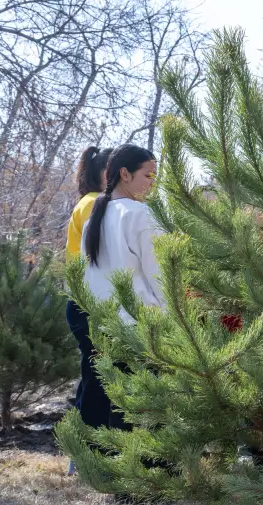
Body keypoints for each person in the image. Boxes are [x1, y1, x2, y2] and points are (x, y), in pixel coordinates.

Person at [79, 144, 161, 431]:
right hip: (145, 332)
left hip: (106, 330)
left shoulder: (92, 222)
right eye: (149, 175)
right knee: (152, 420)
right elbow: (162, 279)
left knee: (119, 415)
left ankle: (115, 474)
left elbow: (87, 280)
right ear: (125, 174)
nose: (153, 184)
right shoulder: (141, 215)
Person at [66, 146, 113, 412]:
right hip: (89, 302)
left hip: (86, 300)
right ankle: (88, 449)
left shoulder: (91, 201)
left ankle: (82, 446)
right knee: (98, 378)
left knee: (93, 375)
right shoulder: (96, 203)